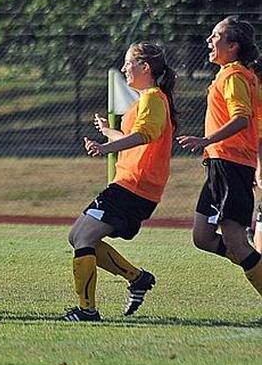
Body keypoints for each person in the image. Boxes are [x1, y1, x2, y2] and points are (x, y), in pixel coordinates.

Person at [64, 43, 177, 321]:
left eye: (129, 63)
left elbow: (145, 136)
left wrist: (105, 149)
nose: (125, 68)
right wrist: (107, 133)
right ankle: (136, 278)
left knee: (83, 237)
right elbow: (135, 137)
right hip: (129, 185)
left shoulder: (153, 98)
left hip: (134, 186)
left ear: (144, 67)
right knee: (77, 236)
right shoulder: (144, 101)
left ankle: (87, 310)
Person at [178, 16, 262, 303]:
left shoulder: (235, 76)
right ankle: (253, 262)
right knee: (202, 236)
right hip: (220, 164)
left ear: (233, 45)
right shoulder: (232, 74)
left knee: (236, 242)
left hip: (229, 163)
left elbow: (242, 119)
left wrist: (206, 140)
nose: (209, 41)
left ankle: (251, 261)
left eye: (216, 36)